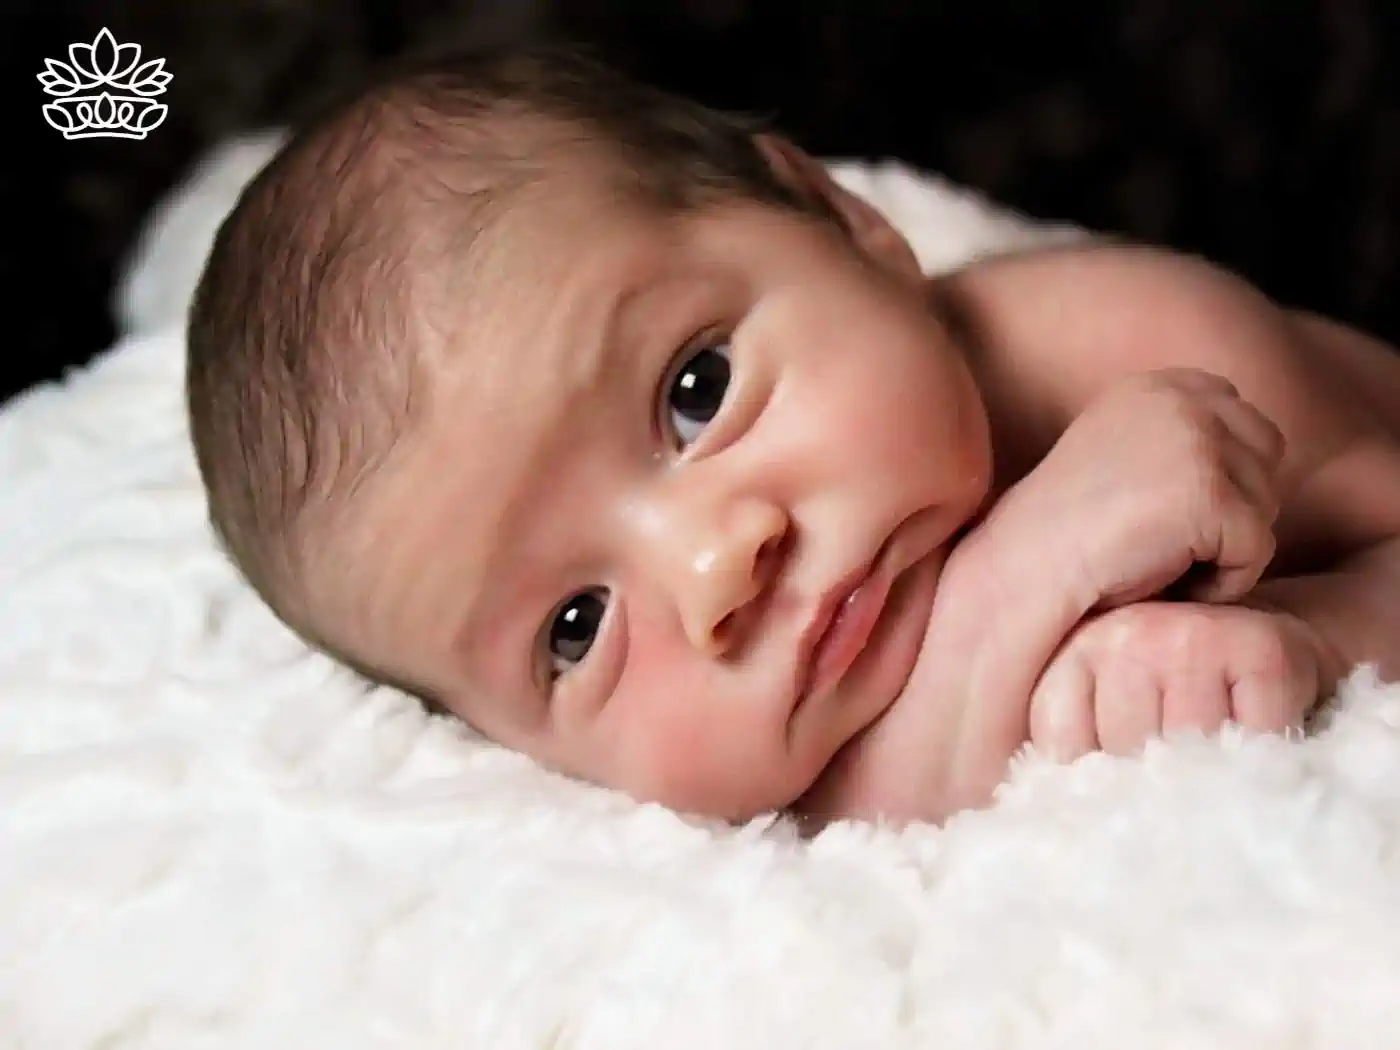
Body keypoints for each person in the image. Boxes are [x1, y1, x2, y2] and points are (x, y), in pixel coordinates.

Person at [186, 44, 1400, 827]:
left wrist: (1300, 633)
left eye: (695, 391)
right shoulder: (717, 794)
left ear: (840, 219)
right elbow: (830, 817)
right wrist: (1017, 591)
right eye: (574, 628)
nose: (716, 569)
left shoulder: (1141, 349)